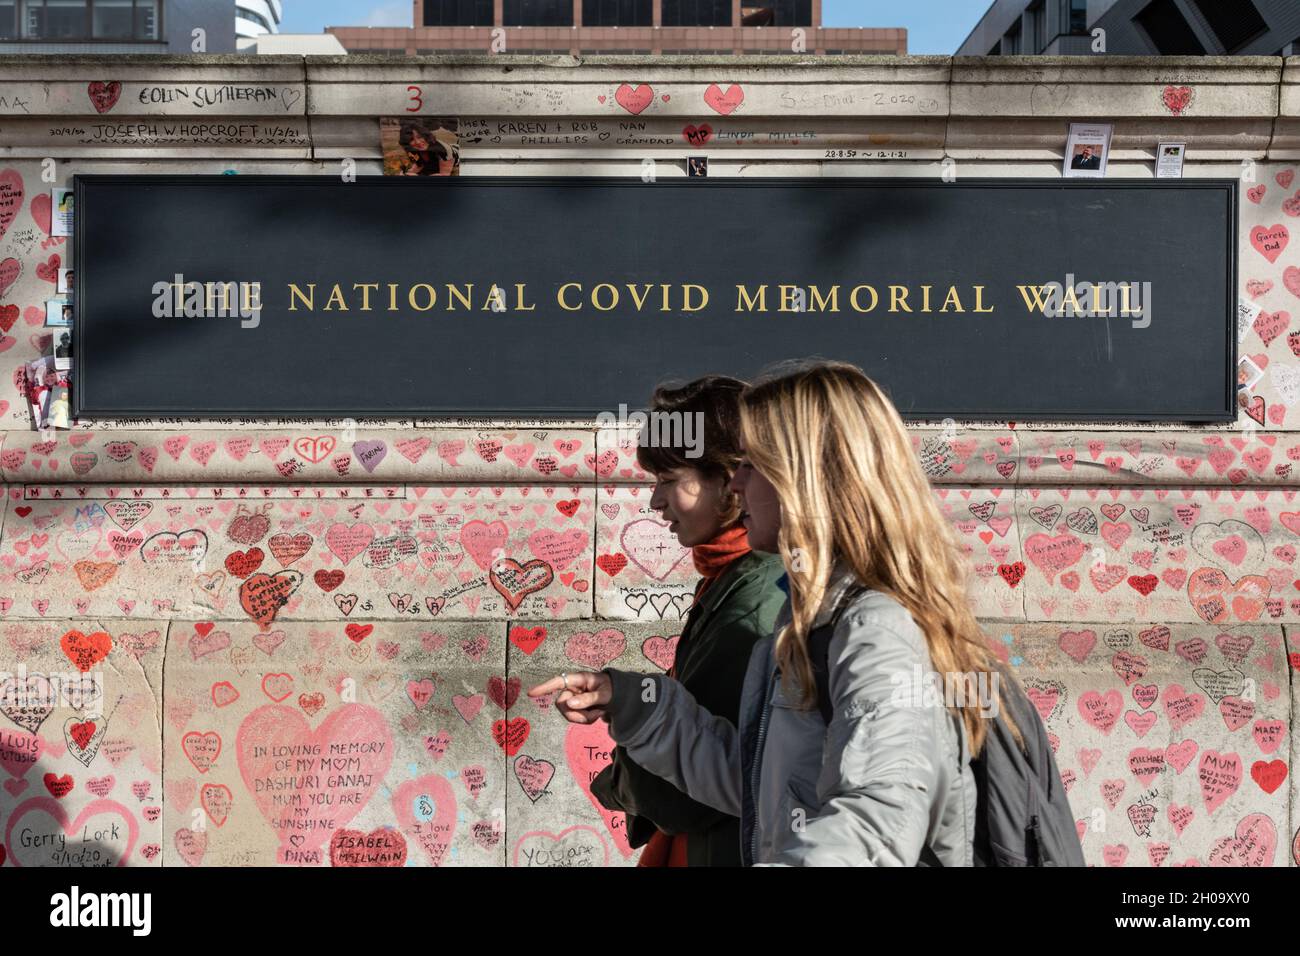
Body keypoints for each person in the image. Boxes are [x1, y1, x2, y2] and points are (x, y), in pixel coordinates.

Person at [530, 360, 1025, 866]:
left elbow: (876, 821)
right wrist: (637, 703)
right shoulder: (810, 615)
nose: (737, 481)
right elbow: (759, 780)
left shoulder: (874, 627)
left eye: (750, 463)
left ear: (807, 477)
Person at [587, 376, 786, 867]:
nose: (655, 502)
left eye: (670, 481)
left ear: (727, 481)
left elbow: (690, 788)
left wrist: (618, 782)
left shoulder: (758, 591)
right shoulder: (729, 579)